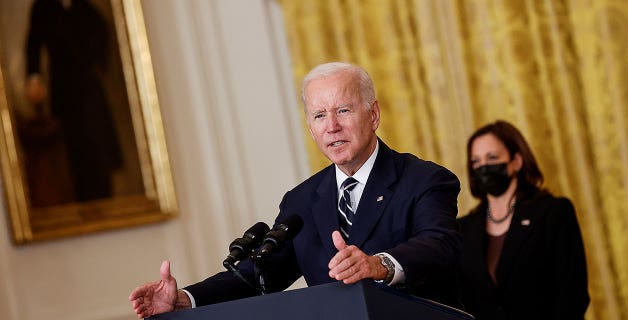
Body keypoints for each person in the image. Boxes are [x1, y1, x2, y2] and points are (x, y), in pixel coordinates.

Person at [129, 62, 462, 318]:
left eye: (343, 110)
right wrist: (183, 300)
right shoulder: (302, 200)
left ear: (373, 114)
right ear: (310, 127)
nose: (331, 126)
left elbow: (440, 244)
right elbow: (259, 274)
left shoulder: (424, 180)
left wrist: (380, 265)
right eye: (319, 115)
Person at [456, 120, 590, 319]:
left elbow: (573, 294)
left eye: (492, 157)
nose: (483, 167)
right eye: (476, 162)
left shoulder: (553, 212)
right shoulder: (463, 228)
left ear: (516, 161)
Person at [24, 0, 122, 202]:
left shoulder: (83, 6)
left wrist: (97, 65)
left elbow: (102, 30)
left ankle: (105, 197)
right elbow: (33, 43)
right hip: (64, 90)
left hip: (89, 88)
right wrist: (34, 78)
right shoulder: (43, 7)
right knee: (74, 153)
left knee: (98, 147)